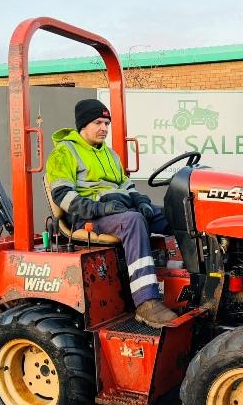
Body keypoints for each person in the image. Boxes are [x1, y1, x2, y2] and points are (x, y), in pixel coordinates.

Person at [45, 98, 178, 328]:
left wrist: (141, 201)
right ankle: (146, 303)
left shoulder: (109, 154)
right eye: (98, 122)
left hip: (115, 210)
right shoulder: (64, 153)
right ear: (83, 125)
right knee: (134, 221)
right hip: (86, 217)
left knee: (175, 215)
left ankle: (201, 282)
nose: (104, 128)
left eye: (106, 123)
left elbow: (126, 186)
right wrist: (98, 208)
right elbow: (62, 195)